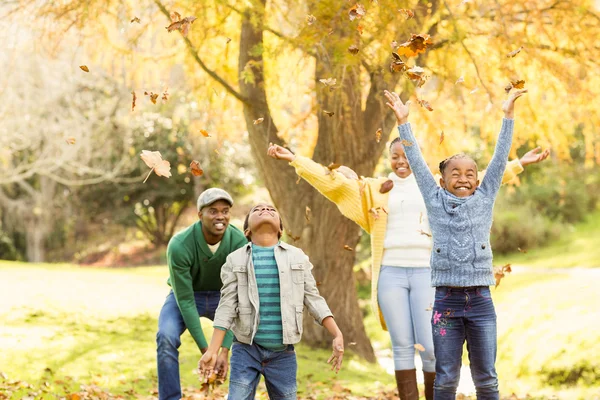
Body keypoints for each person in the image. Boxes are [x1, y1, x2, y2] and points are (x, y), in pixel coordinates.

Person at [266, 123, 548, 399]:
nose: (401, 162)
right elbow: (333, 182)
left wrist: (519, 163)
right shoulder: (375, 189)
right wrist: (295, 160)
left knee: (429, 345)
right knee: (401, 345)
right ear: (390, 159)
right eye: (395, 157)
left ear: (417, 157)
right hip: (391, 272)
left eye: (406, 155)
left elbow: (484, 178)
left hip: (427, 272)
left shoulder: (435, 189)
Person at [385, 88, 527, 400]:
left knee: (486, 379)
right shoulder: (434, 199)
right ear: (443, 180)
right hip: (445, 303)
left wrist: (507, 116)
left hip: (480, 301)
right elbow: (418, 162)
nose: (463, 178)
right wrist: (403, 123)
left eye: (470, 174)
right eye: (455, 173)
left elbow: (500, 156)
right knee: (446, 378)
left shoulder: (485, 196)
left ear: (478, 180)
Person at [199, 203, 344, 399]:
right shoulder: (235, 260)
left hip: (282, 354)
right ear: (247, 230)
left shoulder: (297, 257)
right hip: (246, 350)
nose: (265, 210)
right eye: (257, 210)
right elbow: (226, 308)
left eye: (271, 209)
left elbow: (313, 298)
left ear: (281, 229)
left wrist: (336, 333)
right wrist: (213, 351)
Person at [156, 188, 248, 400]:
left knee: (250, 335)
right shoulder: (180, 245)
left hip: (224, 298)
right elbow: (186, 300)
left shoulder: (239, 243)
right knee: (165, 336)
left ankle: (240, 395)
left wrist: (223, 350)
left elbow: (239, 298)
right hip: (187, 296)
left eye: (225, 211)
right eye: (213, 211)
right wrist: (208, 351)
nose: (220, 216)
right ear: (200, 215)